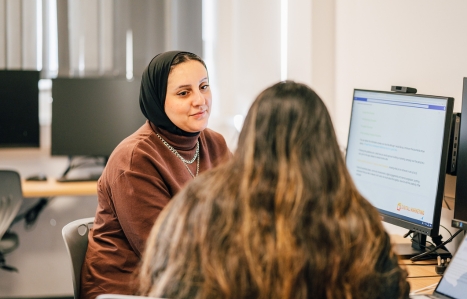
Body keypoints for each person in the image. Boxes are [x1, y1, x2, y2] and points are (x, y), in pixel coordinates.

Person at [138, 81, 410, 299]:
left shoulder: (200, 202)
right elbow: (393, 289)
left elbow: (164, 283)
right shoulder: (354, 220)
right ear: (327, 146)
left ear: (249, 137)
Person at [80, 51, 231, 298]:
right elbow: (166, 254)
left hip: (194, 276)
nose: (200, 100)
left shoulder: (215, 144)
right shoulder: (134, 159)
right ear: (157, 99)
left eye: (204, 87)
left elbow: (244, 212)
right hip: (133, 290)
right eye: (184, 93)